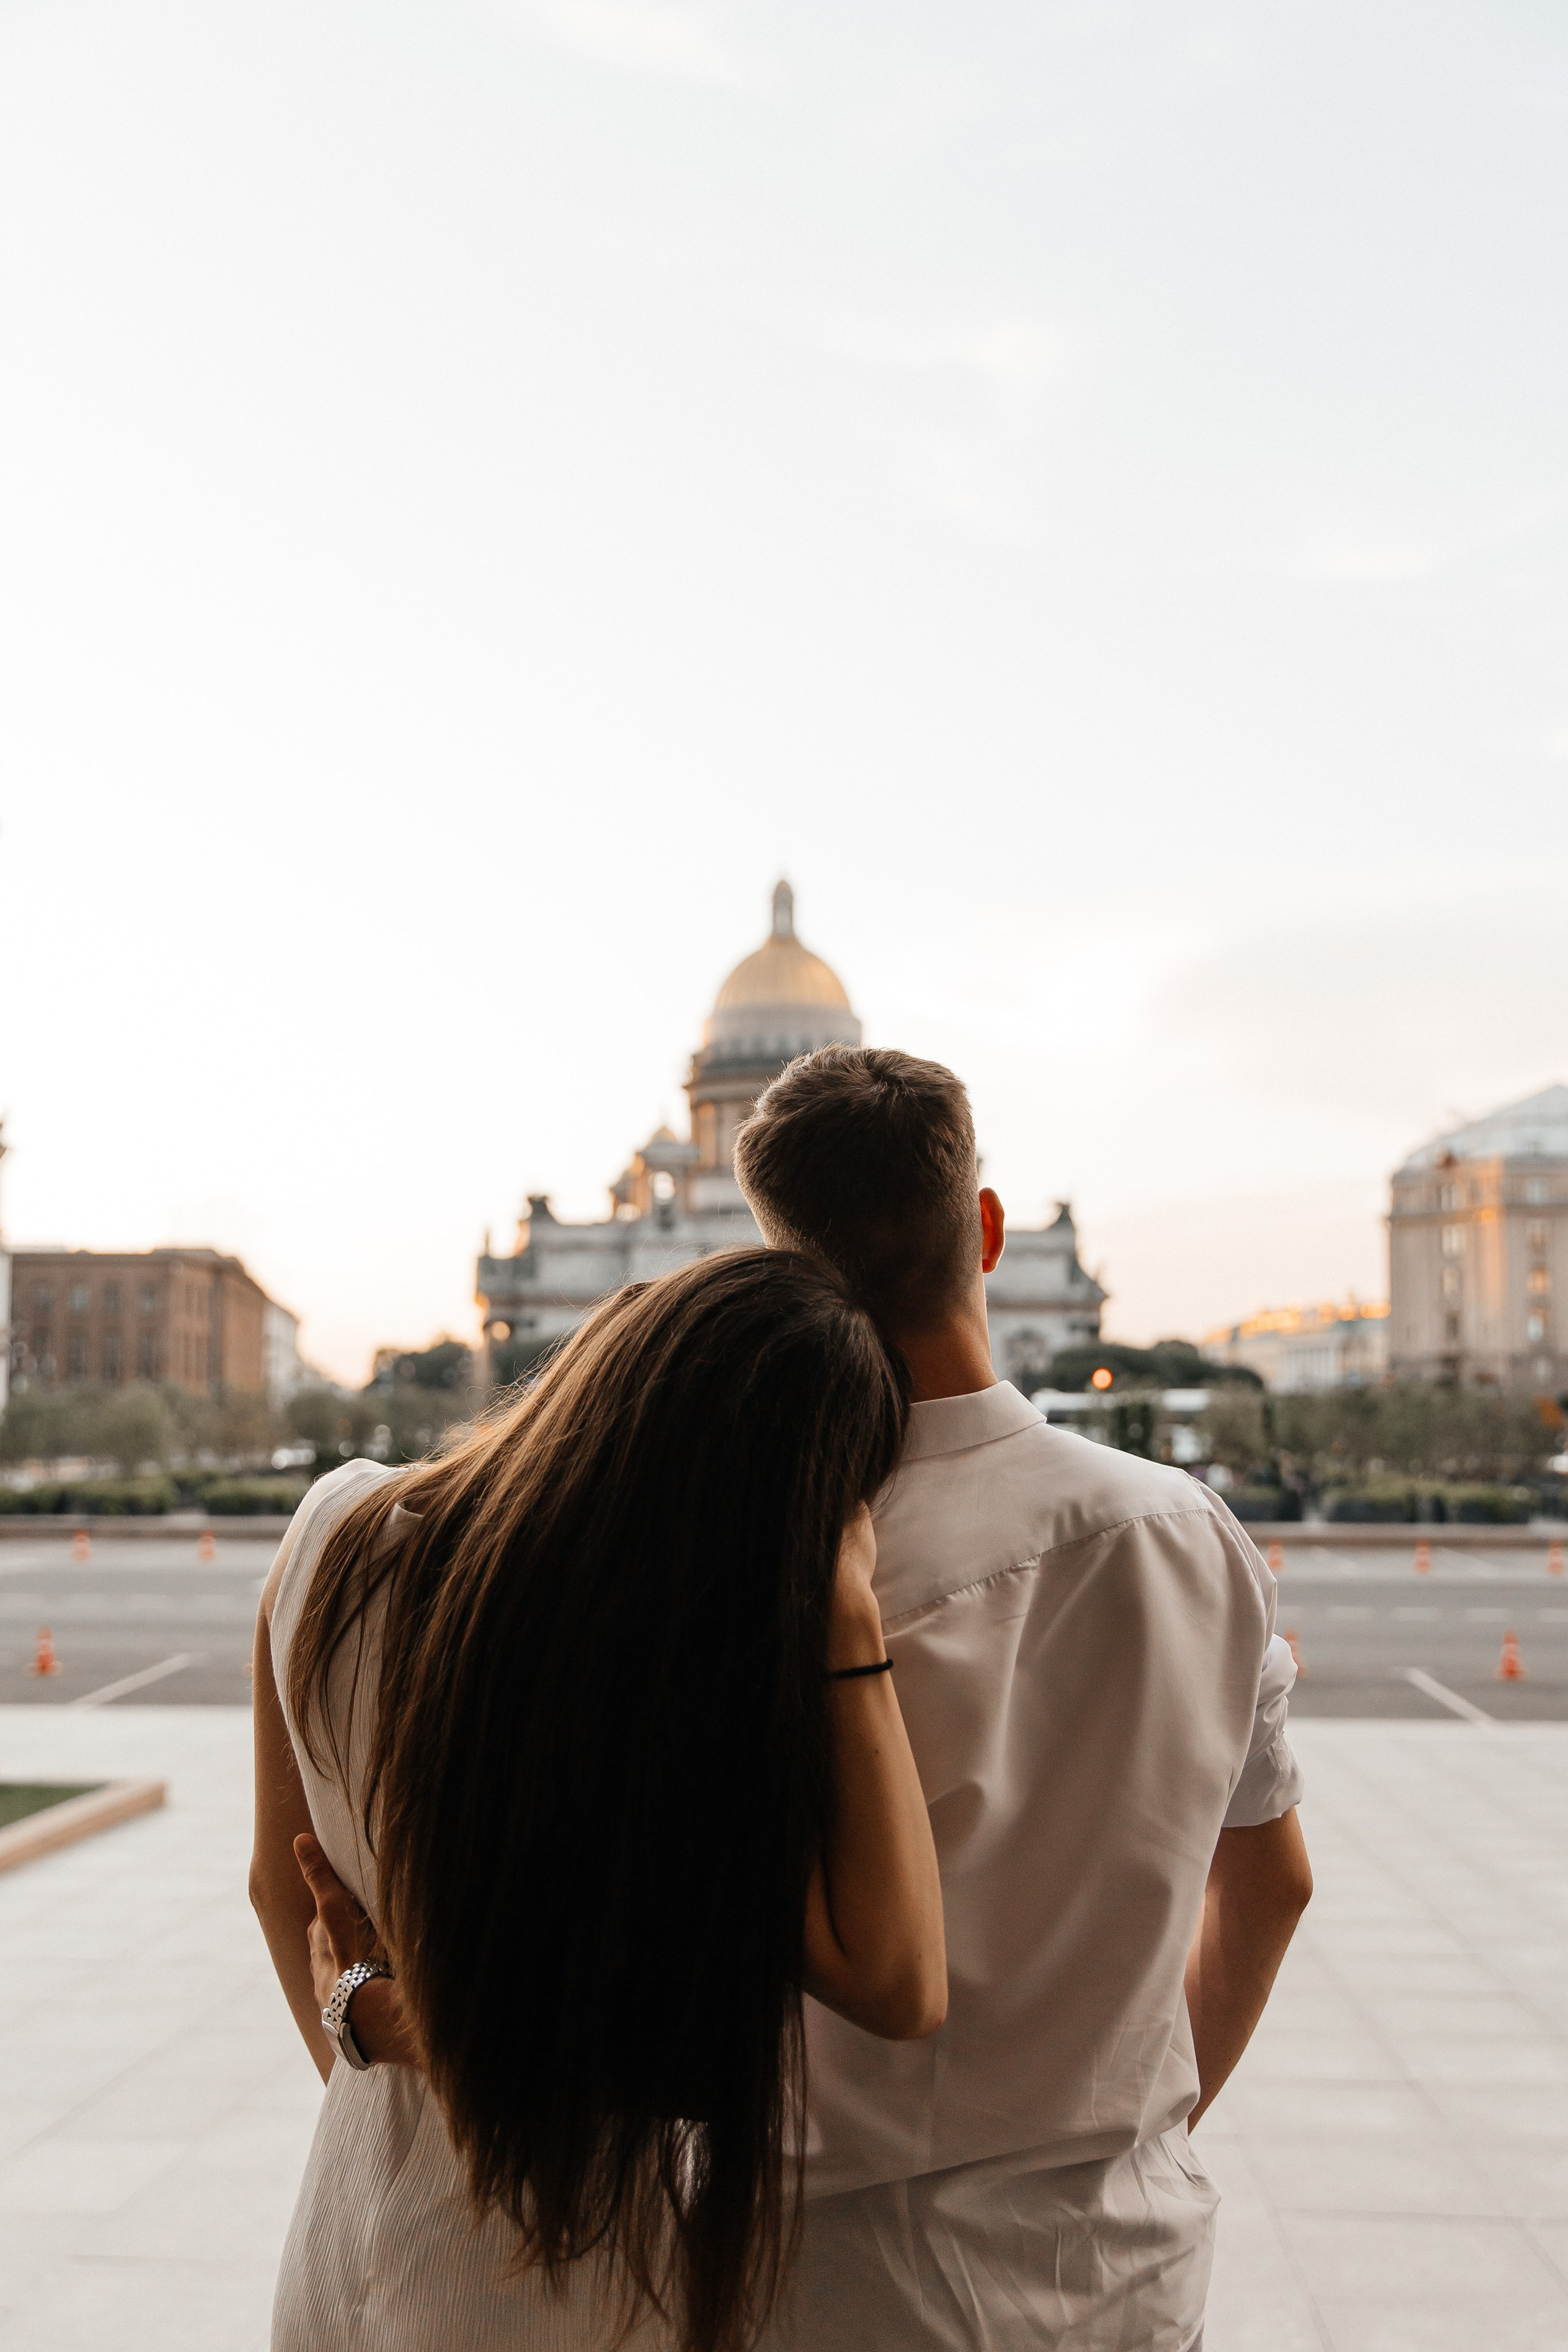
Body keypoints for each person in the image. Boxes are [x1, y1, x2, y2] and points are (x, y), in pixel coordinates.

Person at [249, 1249, 947, 2352]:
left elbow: (277, 1883)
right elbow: (901, 1982)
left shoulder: (335, 1530)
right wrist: (849, 1622)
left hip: (344, 2223)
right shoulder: (673, 1683)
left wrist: (373, 2039)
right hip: (564, 2277)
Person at [731, 1047, 1311, 2352]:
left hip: (838, 2286)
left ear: (784, 1278)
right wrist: (1134, 2132)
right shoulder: (1193, 1535)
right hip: (1124, 2268)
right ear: (984, 1230)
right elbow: (1273, 1886)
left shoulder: (766, 1572)